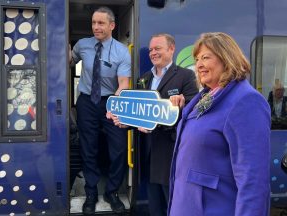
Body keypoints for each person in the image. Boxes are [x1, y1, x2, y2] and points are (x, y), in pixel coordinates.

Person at [168, 32, 271, 216]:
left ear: (226, 58)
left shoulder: (246, 101)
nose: (198, 65)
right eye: (197, 59)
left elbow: (253, 182)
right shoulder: (205, 95)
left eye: (206, 57)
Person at [110, 33, 198, 216]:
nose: (152, 53)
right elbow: (139, 112)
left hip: (170, 153)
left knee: (174, 206)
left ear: (171, 49)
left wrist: (180, 104)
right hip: (146, 153)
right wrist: (127, 123)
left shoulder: (186, 76)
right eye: (150, 49)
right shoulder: (144, 78)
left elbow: (192, 110)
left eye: (157, 48)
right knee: (154, 206)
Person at [69, 6, 131, 215]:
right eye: (94, 23)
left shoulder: (121, 51)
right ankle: (91, 193)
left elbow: (123, 83)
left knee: (119, 148)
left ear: (112, 25)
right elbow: (69, 61)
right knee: (89, 148)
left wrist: (114, 105)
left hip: (112, 100)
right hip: (87, 101)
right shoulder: (83, 45)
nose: (96, 27)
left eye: (101, 23)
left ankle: (111, 192)